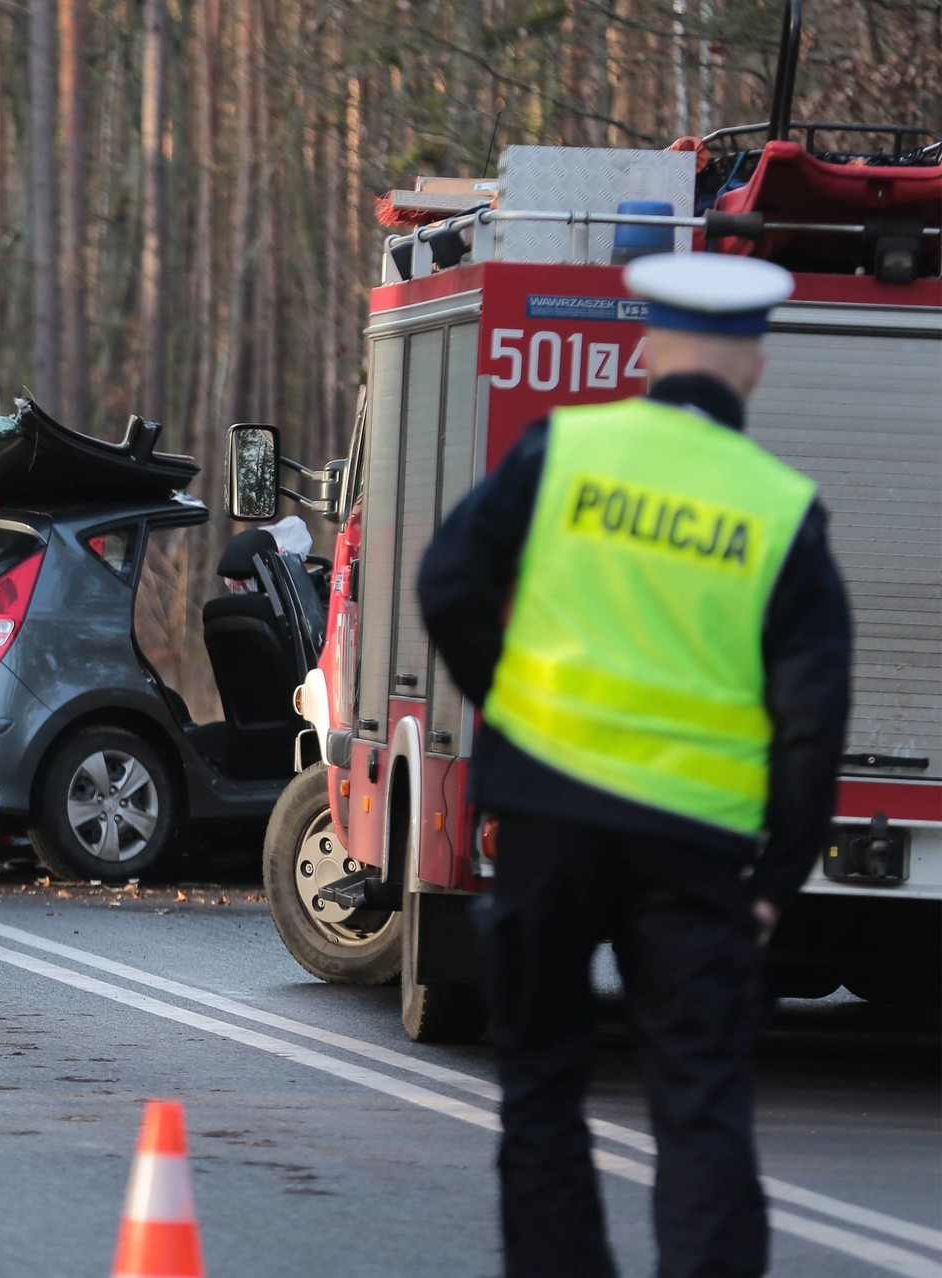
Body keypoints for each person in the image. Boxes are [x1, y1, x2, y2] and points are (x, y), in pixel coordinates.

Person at [418, 254, 852, 1278]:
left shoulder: (564, 451)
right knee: (700, 1107)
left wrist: (515, 711)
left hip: (544, 820)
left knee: (542, 1092)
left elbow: (447, 581)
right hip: (695, 849)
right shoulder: (780, 508)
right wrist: (777, 881)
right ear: (754, 362)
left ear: (647, 350)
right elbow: (813, 718)